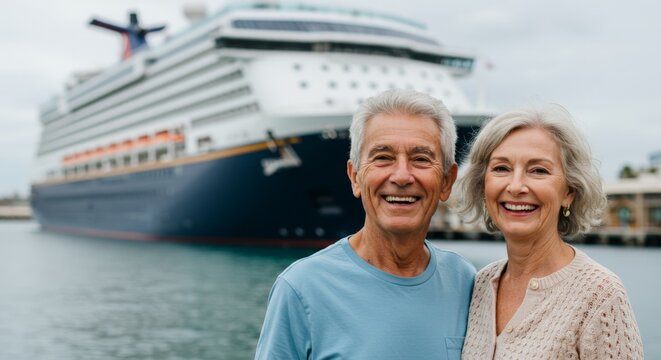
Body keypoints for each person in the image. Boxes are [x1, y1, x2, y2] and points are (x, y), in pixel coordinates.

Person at [254, 89, 476, 359]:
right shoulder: (301, 288)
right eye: (383, 157)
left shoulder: (464, 280)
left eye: (421, 159)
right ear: (355, 177)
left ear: (447, 182)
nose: (402, 176)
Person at [458, 104, 643, 359]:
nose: (516, 186)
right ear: (482, 185)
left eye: (538, 170)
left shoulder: (600, 295)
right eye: (501, 168)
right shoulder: (480, 284)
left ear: (569, 192)